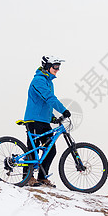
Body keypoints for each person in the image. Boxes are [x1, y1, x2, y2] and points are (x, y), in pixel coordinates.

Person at [23, 55, 71, 187]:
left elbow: (45, 104)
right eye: (55, 67)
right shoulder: (38, 80)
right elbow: (49, 98)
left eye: (59, 67)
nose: (57, 69)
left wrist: (53, 118)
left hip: (43, 120)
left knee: (51, 149)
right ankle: (27, 177)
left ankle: (42, 178)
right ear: (47, 66)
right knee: (33, 148)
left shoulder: (49, 82)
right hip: (34, 119)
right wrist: (63, 110)